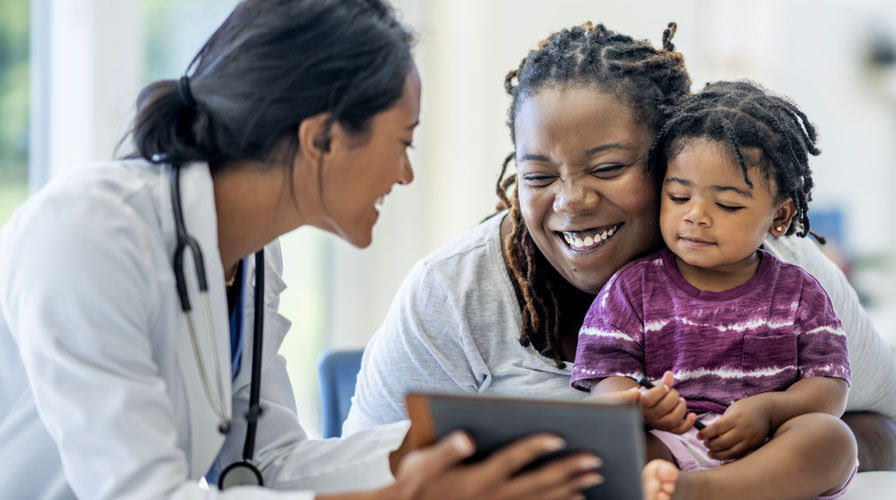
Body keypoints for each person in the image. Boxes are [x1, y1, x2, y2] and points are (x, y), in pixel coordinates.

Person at [0, 1, 603, 499]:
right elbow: (142, 494)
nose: (404, 175)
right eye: (403, 141)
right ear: (321, 137)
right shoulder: (87, 231)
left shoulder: (254, 254)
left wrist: (505, 438)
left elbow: (268, 464)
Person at [345, 20, 896, 491]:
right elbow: (361, 475)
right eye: (538, 175)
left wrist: (764, 457)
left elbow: (885, 424)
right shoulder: (453, 291)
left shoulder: (782, 271)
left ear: (673, 160)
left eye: (609, 168)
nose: (571, 201)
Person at [572, 80, 858, 500]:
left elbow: (829, 387)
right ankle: (681, 485)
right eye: (678, 195)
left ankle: (704, 490)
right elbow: (604, 381)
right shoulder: (631, 290)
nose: (696, 216)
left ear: (779, 217)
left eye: (727, 205)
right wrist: (638, 404)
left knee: (832, 439)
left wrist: (771, 409)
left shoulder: (800, 294)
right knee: (597, 444)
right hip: (669, 444)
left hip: (769, 449)